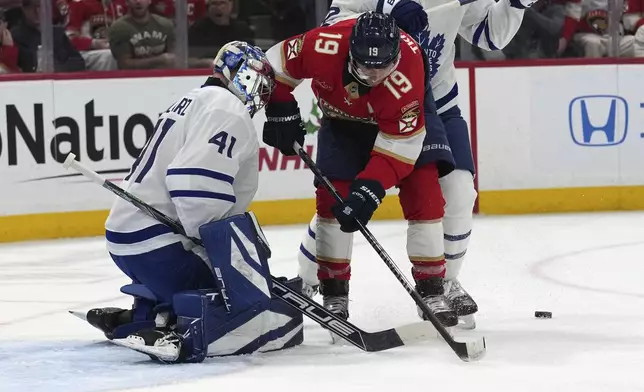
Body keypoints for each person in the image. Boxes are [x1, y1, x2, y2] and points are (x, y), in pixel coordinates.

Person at [298, 0, 536, 330]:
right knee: (341, 197)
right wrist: (386, 21)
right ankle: (312, 278)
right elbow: (329, 34)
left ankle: (443, 285)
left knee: (459, 191)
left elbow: (491, 35)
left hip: (432, 104)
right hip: (366, 105)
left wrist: (516, 4)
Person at [81, 41, 304, 364]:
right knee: (250, 301)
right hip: (162, 250)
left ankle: (147, 315)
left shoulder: (192, 99)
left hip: (127, 243)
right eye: (262, 84)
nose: (264, 95)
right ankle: (184, 331)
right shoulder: (228, 109)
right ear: (245, 76)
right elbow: (193, 185)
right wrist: (216, 251)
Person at [263, 12, 458, 328]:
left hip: (404, 127)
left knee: (425, 195)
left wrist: (371, 187)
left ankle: (432, 290)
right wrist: (280, 106)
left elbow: (400, 147)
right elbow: (274, 64)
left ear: (394, 57)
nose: (371, 75)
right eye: (364, 66)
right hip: (342, 125)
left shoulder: (408, 73)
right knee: (332, 202)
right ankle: (334, 292)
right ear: (350, 50)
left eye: (381, 67)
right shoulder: (324, 45)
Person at [108, 0, 175, 70]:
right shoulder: (119, 28)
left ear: (149, 1)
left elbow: (173, 59)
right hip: (133, 78)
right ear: (127, 2)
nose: (138, 2)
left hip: (163, 77)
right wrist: (160, 60)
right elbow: (125, 65)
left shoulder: (166, 25)